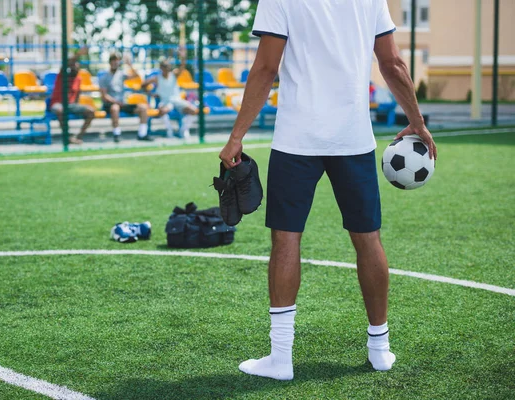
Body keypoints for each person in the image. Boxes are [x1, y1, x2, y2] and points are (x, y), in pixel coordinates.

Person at [219, 0, 437, 381]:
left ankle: (281, 358)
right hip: (352, 137)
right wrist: (416, 121)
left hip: (296, 139)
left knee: (286, 241)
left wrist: (236, 136)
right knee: (368, 239)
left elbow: (267, 67)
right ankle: (380, 348)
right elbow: (393, 63)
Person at [142, 50, 198, 138]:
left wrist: (183, 57)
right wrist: (150, 94)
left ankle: (183, 130)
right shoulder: (157, 78)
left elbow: (182, 67)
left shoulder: (174, 75)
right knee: (163, 111)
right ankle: (169, 131)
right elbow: (143, 84)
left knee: (193, 111)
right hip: (165, 102)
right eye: (164, 66)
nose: (167, 68)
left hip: (177, 100)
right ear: (161, 68)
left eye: (168, 66)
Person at [99, 52, 153, 142]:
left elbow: (136, 75)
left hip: (122, 103)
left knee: (143, 108)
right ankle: (116, 134)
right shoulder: (104, 77)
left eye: (117, 61)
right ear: (110, 62)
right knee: (115, 108)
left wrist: (130, 64)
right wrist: (116, 102)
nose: (115, 63)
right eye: (113, 61)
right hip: (111, 104)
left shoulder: (121, 74)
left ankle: (142, 134)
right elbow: (105, 96)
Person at [49, 57, 94, 145]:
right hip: (58, 103)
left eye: (76, 66)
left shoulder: (78, 79)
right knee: (60, 110)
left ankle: (78, 136)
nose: (75, 68)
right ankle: (67, 136)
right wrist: (78, 54)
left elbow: (77, 95)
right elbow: (66, 63)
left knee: (91, 111)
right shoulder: (62, 75)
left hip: (71, 105)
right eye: (73, 66)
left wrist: (77, 107)